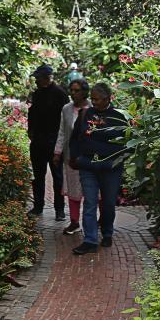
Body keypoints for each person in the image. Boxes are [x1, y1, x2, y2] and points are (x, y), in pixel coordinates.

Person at [69, 82, 128, 255]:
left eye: (97, 99)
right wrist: (76, 157)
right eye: (92, 99)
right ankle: (90, 240)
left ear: (108, 98)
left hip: (111, 168)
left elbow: (124, 143)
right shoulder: (85, 114)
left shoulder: (119, 116)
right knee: (89, 203)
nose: (94, 103)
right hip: (88, 166)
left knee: (108, 203)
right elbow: (75, 139)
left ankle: (107, 233)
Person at [26, 64, 68, 219]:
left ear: (47, 78)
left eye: (38, 78)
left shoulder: (60, 94)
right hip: (38, 141)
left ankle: (59, 209)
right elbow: (32, 114)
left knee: (57, 177)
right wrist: (31, 132)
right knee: (38, 176)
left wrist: (62, 143)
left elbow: (66, 119)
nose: (36, 81)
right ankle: (38, 207)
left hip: (54, 140)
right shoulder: (36, 94)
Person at [53, 78, 91, 235]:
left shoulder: (93, 107)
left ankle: (96, 222)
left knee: (92, 192)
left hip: (90, 157)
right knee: (73, 190)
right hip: (72, 157)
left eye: (77, 91)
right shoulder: (66, 109)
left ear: (84, 92)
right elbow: (62, 132)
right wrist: (57, 152)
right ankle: (74, 222)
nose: (73, 94)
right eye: (72, 90)